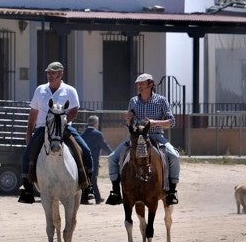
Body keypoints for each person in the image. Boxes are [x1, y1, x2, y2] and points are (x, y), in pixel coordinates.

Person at [18, 61, 94, 204]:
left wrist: (63, 123)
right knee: (27, 154)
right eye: (48, 73)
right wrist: (29, 132)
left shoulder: (70, 90)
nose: (50, 75)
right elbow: (33, 112)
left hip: (64, 128)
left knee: (85, 150)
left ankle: (87, 186)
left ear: (61, 74)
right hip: (42, 128)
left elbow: (74, 111)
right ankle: (27, 189)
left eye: (53, 73)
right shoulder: (40, 90)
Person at [105, 73, 180, 206]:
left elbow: (171, 122)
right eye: (138, 84)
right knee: (112, 158)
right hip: (136, 138)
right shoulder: (133, 101)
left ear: (150, 85)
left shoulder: (161, 100)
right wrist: (128, 120)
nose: (138, 86)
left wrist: (153, 122)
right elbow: (129, 124)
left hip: (156, 136)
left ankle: (172, 191)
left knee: (174, 156)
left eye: (142, 83)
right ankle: (116, 191)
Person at [81, 115, 112, 205]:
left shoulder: (83, 134)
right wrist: (113, 154)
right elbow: (104, 145)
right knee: (93, 180)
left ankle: (86, 198)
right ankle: (97, 198)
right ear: (95, 123)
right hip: (94, 161)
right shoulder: (98, 134)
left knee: (86, 179)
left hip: (84, 161)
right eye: (97, 123)